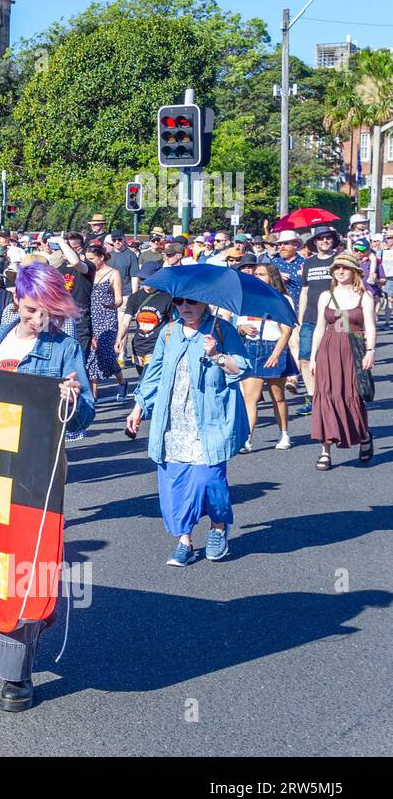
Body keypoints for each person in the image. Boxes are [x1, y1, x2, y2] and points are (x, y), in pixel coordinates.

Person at [0, 261, 93, 713]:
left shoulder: (65, 348)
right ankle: (36, 619)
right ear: (16, 303)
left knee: (20, 570)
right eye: (30, 310)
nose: (38, 320)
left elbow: (85, 413)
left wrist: (71, 399)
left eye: (47, 311)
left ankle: (15, 673)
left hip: (34, 476)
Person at [126, 296, 250, 568]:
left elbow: (242, 368)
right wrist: (139, 406)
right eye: (179, 301)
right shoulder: (169, 332)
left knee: (209, 479)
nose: (185, 306)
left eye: (192, 301)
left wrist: (217, 355)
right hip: (172, 421)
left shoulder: (220, 329)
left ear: (205, 302)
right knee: (176, 484)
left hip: (208, 420)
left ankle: (218, 527)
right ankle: (185, 542)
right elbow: (154, 373)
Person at [310, 252, 377, 469]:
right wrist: (312, 357)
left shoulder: (364, 296)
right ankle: (325, 450)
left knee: (352, 396)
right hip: (328, 351)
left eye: (345, 268)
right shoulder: (325, 296)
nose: (340, 271)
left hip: (353, 351)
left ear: (355, 271)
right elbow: (320, 328)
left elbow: (370, 326)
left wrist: (370, 351)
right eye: (336, 268)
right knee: (325, 397)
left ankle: (364, 435)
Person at [234, 263, 296, 453]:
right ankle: (247, 439)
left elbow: (287, 330)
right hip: (252, 348)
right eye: (255, 274)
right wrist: (243, 329)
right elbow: (239, 325)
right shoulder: (248, 297)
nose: (256, 276)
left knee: (277, 396)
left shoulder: (283, 299)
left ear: (272, 277)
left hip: (273, 347)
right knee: (250, 398)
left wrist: (276, 354)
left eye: (261, 274)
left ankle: (284, 433)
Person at [117, 242, 181, 384]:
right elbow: (126, 321)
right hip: (138, 345)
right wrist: (119, 339)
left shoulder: (167, 297)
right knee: (143, 379)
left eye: (148, 278)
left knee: (146, 382)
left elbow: (172, 323)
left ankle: (141, 406)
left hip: (156, 346)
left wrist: (170, 344)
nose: (145, 282)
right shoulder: (135, 297)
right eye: (142, 279)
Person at [295, 226, 340, 417]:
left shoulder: (339, 261)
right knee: (305, 358)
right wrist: (300, 318)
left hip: (336, 317)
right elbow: (305, 291)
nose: (324, 241)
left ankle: (337, 397)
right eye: (320, 238)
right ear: (314, 242)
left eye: (328, 238)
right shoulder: (309, 263)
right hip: (311, 317)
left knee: (336, 358)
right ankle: (313, 398)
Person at [83, 243, 126, 403]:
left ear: (101, 257)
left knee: (106, 354)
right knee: (92, 355)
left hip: (107, 317)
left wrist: (114, 305)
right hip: (91, 316)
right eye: (87, 259)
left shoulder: (113, 273)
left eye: (92, 258)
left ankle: (122, 381)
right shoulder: (88, 273)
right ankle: (93, 394)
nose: (89, 261)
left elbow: (119, 298)